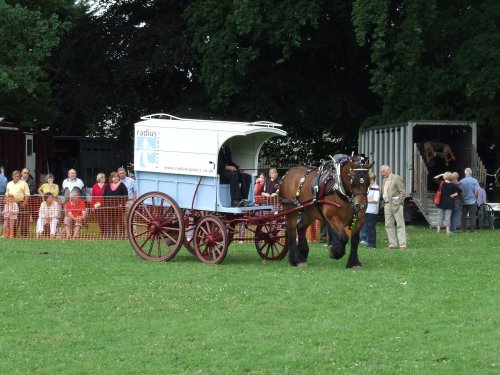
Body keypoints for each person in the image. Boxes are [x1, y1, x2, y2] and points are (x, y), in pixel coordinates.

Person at [380, 165, 407, 250]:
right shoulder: (384, 180)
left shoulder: (396, 178)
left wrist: (400, 202)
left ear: (388, 170)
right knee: (388, 224)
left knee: (400, 224)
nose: (382, 173)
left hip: (396, 204)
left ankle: (402, 244)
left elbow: (402, 192)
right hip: (387, 204)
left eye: (383, 171)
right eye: (381, 172)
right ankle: (392, 244)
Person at [5, 170, 30, 238]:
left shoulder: (24, 183)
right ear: (12, 176)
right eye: (15, 176)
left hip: (21, 203)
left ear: (20, 176)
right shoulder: (9, 183)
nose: (17, 177)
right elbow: (6, 193)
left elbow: (27, 194)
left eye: (18, 176)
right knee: (13, 220)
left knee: (24, 220)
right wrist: (7, 202)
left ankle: (24, 235)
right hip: (11, 204)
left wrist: (25, 202)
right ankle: (13, 235)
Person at [103, 171, 128, 239]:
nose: (116, 178)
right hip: (109, 207)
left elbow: (126, 196)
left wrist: (122, 204)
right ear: (111, 178)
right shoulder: (107, 186)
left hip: (119, 207)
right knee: (111, 221)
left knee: (120, 221)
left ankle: (122, 235)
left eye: (117, 177)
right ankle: (113, 235)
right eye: (114, 177)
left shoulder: (122, 185)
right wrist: (106, 205)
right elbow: (104, 196)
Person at [362, 172, 380, 249]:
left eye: (372, 180)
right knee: (364, 226)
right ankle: (365, 241)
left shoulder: (376, 188)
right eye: (369, 180)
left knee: (371, 227)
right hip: (364, 210)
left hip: (372, 211)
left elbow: (376, 200)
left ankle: (372, 244)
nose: (370, 181)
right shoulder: (365, 187)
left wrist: (365, 201)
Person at [459, 167, 480, 232]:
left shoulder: (461, 181)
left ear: (465, 173)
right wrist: (476, 198)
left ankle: (463, 229)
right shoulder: (475, 180)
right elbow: (477, 191)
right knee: (472, 216)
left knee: (463, 216)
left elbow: (460, 192)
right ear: (471, 173)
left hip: (464, 201)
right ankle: (472, 230)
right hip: (472, 201)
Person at [91, 172, 107, 237]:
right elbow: (93, 196)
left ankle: (106, 232)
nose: (104, 178)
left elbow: (106, 196)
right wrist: (92, 206)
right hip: (96, 205)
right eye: (102, 177)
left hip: (104, 204)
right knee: (100, 219)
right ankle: (102, 232)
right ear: (99, 178)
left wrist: (101, 203)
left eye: (104, 177)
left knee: (105, 219)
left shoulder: (107, 185)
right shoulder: (94, 186)